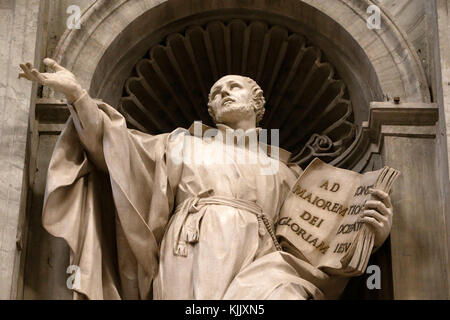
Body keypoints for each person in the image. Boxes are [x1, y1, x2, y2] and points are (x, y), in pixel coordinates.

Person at [19, 58, 394, 300]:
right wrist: (79, 97)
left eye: (233, 87)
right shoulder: (179, 145)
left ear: (258, 102)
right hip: (192, 247)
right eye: (216, 93)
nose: (222, 93)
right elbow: (115, 150)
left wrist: (368, 237)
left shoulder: (289, 171)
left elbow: (315, 245)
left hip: (264, 260)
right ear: (210, 110)